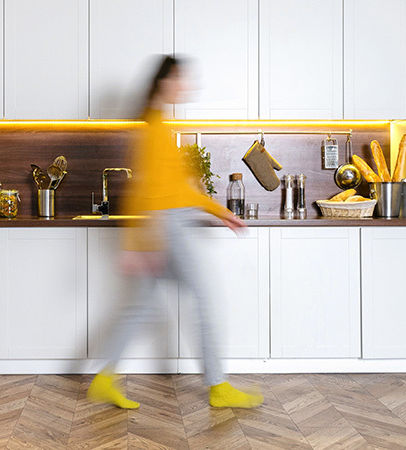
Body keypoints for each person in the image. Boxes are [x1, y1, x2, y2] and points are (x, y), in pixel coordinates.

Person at [86, 55, 263, 410]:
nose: (187, 86)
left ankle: (105, 378)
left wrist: (219, 211)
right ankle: (219, 386)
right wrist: (139, 241)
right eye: (182, 79)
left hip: (165, 221)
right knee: (205, 297)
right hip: (167, 224)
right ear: (165, 81)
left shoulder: (157, 125)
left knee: (142, 306)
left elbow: (170, 189)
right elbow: (153, 191)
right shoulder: (154, 130)